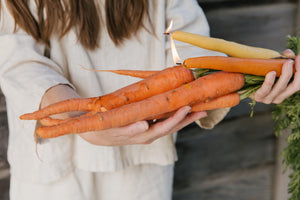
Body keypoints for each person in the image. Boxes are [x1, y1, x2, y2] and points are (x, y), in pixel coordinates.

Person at [0, 0, 298, 200]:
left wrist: (255, 77)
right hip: (53, 170)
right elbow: (15, 53)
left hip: (142, 167)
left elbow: (189, 44)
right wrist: (77, 120)